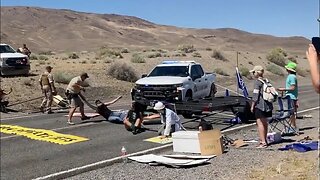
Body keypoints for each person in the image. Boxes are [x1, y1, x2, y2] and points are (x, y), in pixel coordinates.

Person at [250, 65, 273, 148]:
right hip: (268, 105)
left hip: (260, 105)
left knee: (260, 123)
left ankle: (263, 142)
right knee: (265, 123)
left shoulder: (257, 82)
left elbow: (255, 95)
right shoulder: (266, 81)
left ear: (256, 73)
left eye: (253, 72)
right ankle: (265, 140)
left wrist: (252, 106)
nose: (253, 74)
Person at [277, 62, 299, 133]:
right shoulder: (292, 76)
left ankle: (293, 127)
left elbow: (293, 88)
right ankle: (292, 127)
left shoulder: (291, 77)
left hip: (291, 97)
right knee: (291, 113)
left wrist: (283, 89)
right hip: (291, 97)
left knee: (291, 113)